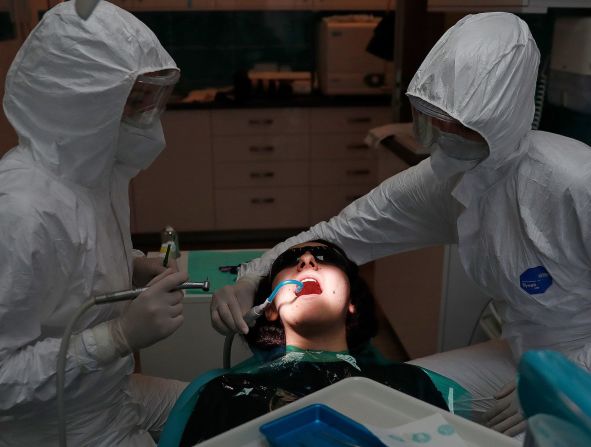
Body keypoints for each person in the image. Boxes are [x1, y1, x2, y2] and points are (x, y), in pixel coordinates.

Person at [211, 12, 591, 438]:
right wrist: (253, 276)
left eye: (461, 125)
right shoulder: (452, 177)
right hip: (522, 355)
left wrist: (569, 381)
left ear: (501, 118)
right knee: (383, 401)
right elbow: (341, 235)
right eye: (436, 118)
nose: (444, 134)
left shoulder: (573, 183)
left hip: (582, 371)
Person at [0, 2, 189, 446]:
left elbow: (73, 268)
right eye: (133, 98)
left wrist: (134, 265)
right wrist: (118, 336)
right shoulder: (21, 212)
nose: (145, 112)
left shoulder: (92, 174)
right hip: (56, 427)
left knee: (223, 405)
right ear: (74, 95)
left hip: (107, 394)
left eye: (150, 97)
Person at [169, 241, 451, 446]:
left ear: (352, 303)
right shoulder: (225, 393)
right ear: (271, 309)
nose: (306, 261)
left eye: (324, 257)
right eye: (289, 263)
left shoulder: (409, 384)